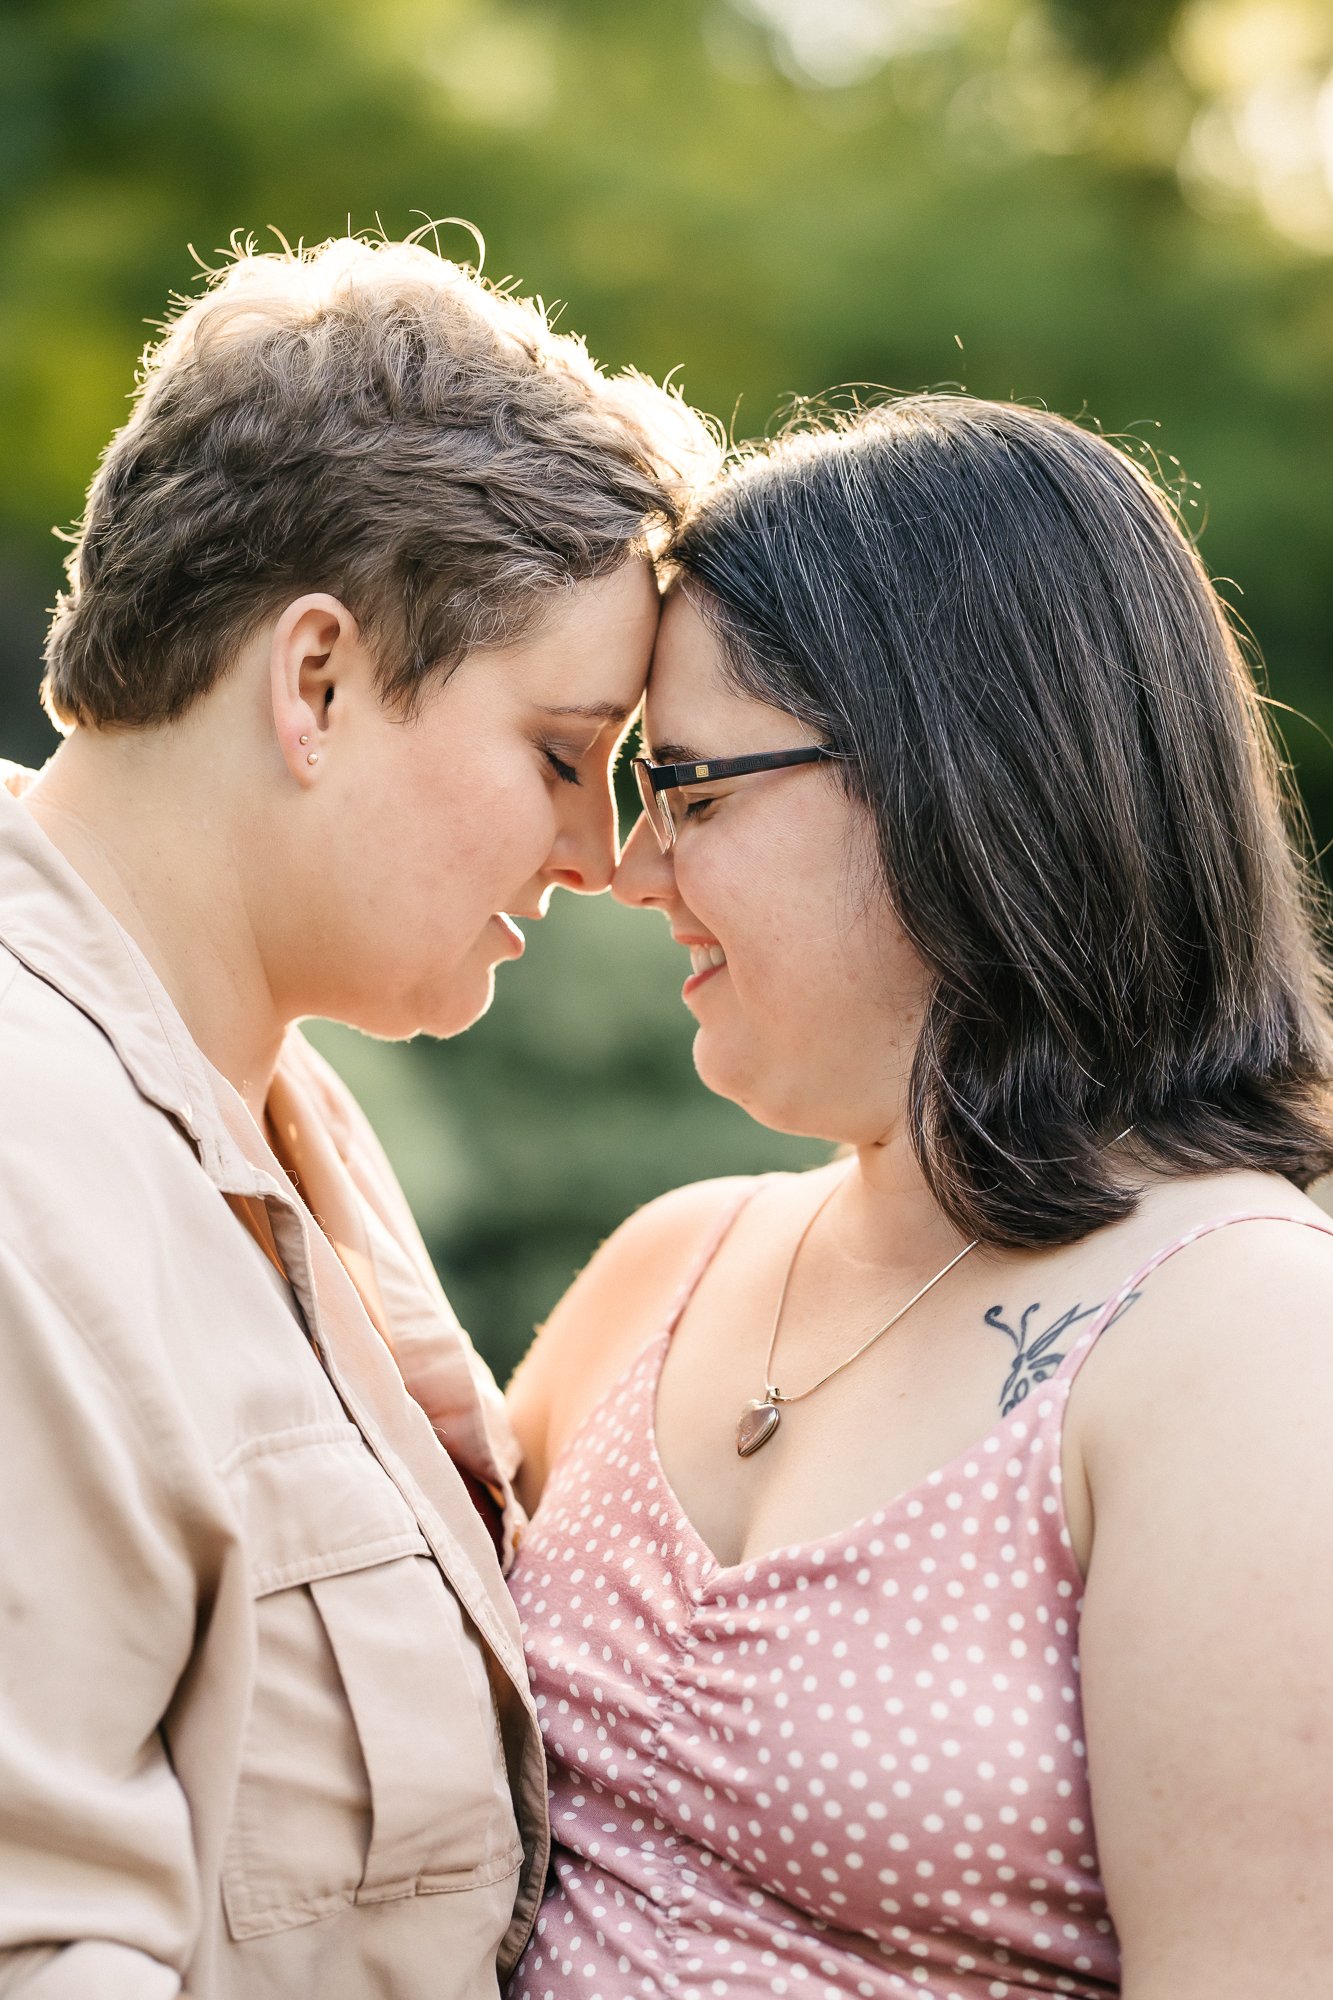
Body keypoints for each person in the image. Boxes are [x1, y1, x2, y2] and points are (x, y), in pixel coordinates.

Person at [506, 397, 1333, 1999]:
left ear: (954, 775)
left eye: (688, 786)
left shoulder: (1243, 1345)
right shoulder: (665, 1265)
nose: (629, 869)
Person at [0, 232, 713, 1998]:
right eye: (562, 753)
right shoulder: (29, 1151)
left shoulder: (266, 1112)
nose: (601, 855)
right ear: (314, 679)